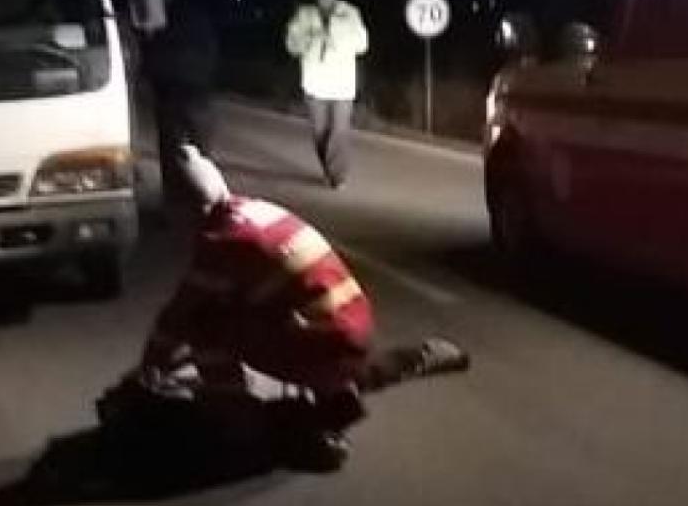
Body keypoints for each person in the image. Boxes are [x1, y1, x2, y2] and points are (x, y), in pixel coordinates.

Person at [118, 145, 469, 471]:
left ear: (188, 209)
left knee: (205, 327)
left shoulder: (222, 241)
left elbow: (178, 317)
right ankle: (399, 365)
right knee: (250, 322)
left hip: (324, 341)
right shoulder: (256, 211)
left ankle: (243, 424)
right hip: (350, 324)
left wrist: (149, 369)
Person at [285, 0, 369, 188]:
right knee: (320, 132)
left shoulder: (350, 14)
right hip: (315, 83)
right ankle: (329, 167)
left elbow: (362, 45)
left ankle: (337, 176)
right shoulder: (304, 14)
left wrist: (338, 36)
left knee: (339, 131)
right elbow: (292, 45)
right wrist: (312, 38)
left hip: (342, 84)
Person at [144, 0, 219, 208]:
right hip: (198, 94)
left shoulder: (156, 20)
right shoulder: (193, 15)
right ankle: (203, 202)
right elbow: (210, 52)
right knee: (199, 154)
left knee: (173, 155)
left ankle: (178, 204)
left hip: (176, 95)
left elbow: (153, 60)